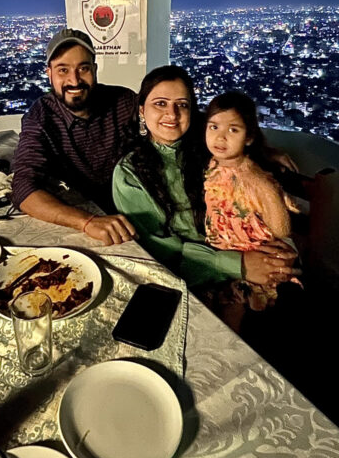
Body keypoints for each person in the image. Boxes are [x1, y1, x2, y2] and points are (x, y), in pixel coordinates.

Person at [112, 66, 297, 321]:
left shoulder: (210, 151)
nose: (172, 114)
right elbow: (159, 249)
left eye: (182, 105)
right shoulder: (129, 173)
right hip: (190, 274)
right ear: (142, 111)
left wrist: (265, 153)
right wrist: (238, 264)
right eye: (160, 104)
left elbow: (251, 197)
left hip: (245, 258)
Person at [11, 28, 139, 245]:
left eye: (84, 68)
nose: (74, 79)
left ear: (95, 70)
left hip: (134, 203)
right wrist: (87, 222)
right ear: (49, 73)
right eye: (63, 70)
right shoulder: (40, 118)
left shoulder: (123, 101)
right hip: (81, 208)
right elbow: (23, 188)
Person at [203, 91, 301, 327]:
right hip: (222, 253)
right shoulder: (213, 165)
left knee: (230, 314)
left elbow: (281, 228)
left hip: (255, 258)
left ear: (249, 137)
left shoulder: (257, 180)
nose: (221, 137)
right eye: (213, 127)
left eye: (233, 130)